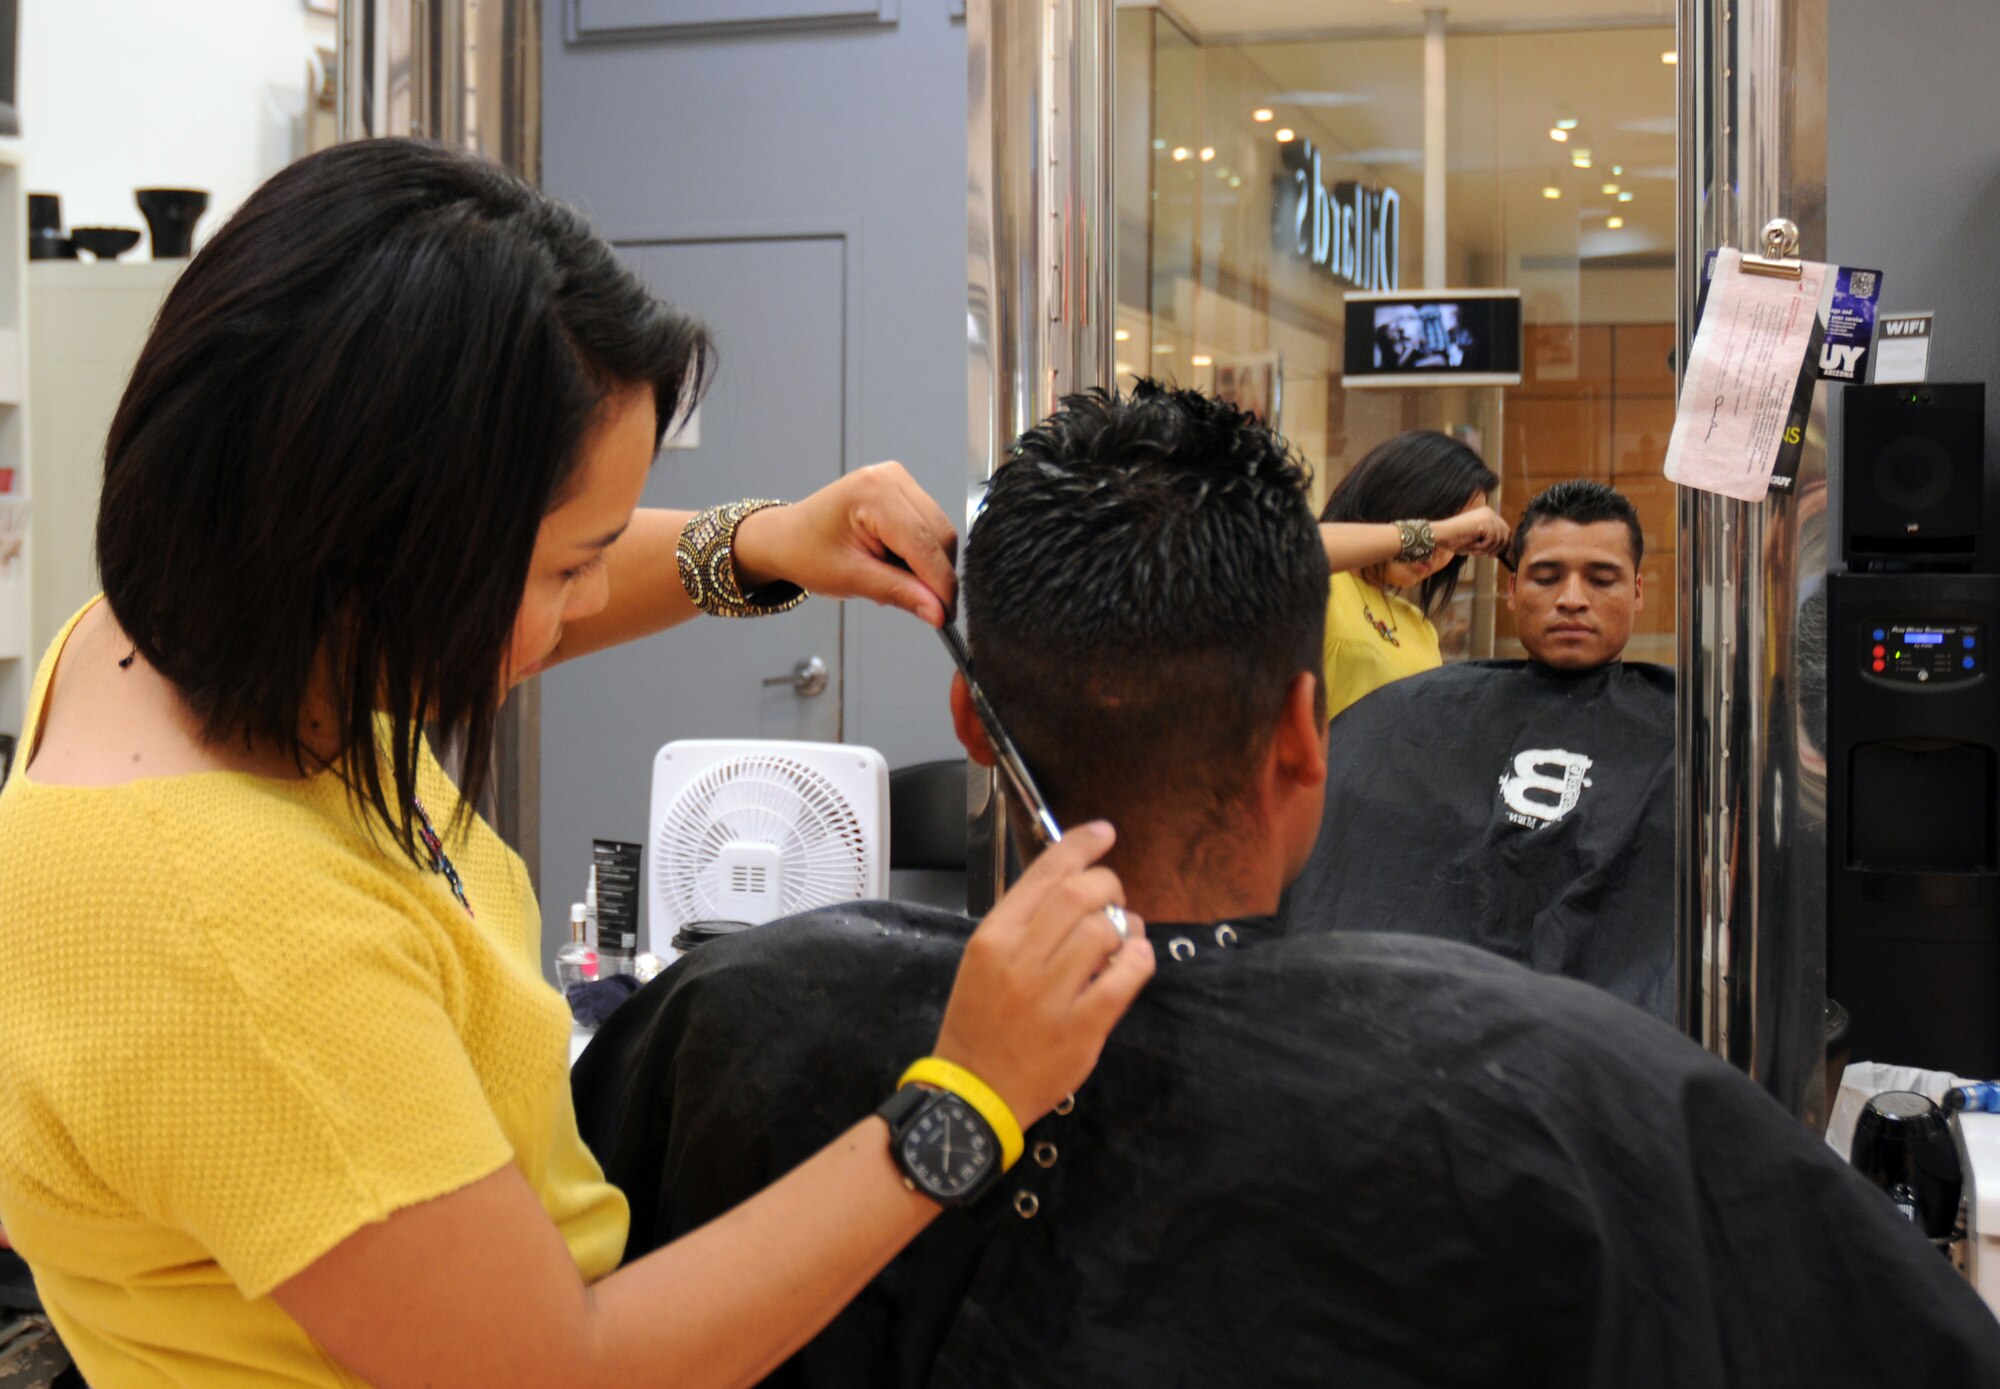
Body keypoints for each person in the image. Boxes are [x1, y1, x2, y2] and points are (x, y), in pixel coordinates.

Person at [0, 140, 1154, 1389]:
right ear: (381, 547)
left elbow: (483, 616)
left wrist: (763, 544)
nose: (586, 602)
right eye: (567, 565)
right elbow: (559, 1368)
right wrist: (966, 1103)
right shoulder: (240, 944)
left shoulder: (174, 633)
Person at [573, 387, 2000, 1388]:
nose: (1570, 597)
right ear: (1308, 742)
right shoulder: (1580, 1102)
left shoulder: (730, 1016)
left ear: (974, 733)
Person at [1282, 479, 1674, 1016]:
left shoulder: (1690, 728)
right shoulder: (1416, 717)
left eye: (1602, 579)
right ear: (1511, 591)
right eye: (1546, 576)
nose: (1572, 599)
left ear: (1637, 592)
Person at [1315, 429, 1509, 721]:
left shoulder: (1418, 625)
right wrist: (1435, 534)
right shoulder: (1319, 583)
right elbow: (1291, 548)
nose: (1441, 550)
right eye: (1439, 522)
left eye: (1458, 541)